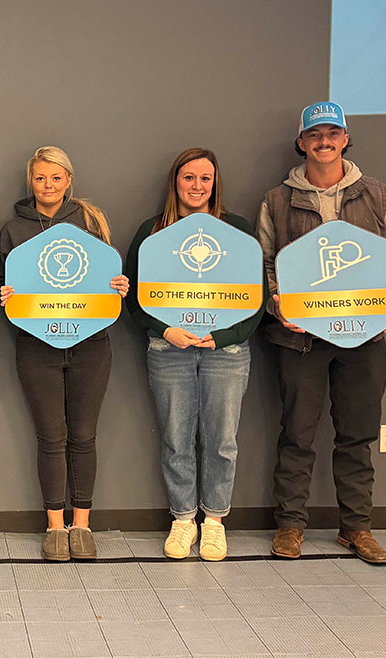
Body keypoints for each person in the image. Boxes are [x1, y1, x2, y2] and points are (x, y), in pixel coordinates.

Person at [258, 102, 386, 564]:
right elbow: (267, 265)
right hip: (299, 339)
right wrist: (276, 304)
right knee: (297, 434)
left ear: (345, 139)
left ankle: (357, 528)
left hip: (365, 337)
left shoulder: (378, 194)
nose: (323, 141)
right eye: (314, 135)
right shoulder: (276, 200)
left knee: (358, 434)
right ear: (301, 143)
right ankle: (290, 526)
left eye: (333, 133)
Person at [125, 148, 267, 561]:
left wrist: (222, 336)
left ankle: (215, 522)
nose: (197, 186)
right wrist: (165, 329)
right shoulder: (152, 232)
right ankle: (184, 519)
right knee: (176, 439)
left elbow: (254, 300)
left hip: (227, 351)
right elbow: (133, 297)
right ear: (176, 182)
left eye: (205, 178)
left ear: (215, 183)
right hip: (168, 348)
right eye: (189, 177)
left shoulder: (238, 230)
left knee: (222, 441)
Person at [0, 147, 128, 561]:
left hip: (91, 346)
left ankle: (82, 525)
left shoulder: (92, 221)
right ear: (30, 181)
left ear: (68, 180)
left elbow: (108, 277)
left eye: (56, 178)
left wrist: (118, 287)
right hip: (37, 347)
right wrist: (7, 296)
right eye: (40, 178)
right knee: (50, 438)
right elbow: (6, 288)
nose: (48, 186)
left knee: (84, 437)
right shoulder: (12, 230)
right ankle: (55, 527)